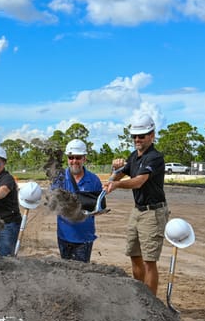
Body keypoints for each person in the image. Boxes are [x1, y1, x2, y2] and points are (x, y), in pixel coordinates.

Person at [105, 113, 169, 295]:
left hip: (153, 213)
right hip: (138, 211)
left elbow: (139, 181)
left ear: (152, 135)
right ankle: (140, 297)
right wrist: (114, 171)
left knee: (149, 261)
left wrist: (117, 185)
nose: (137, 139)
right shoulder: (134, 156)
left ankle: (150, 303)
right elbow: (116, 176)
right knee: (134, 254)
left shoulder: (155, 157)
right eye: (134, 136)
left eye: (141, 136)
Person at [51, 139, 103, 262]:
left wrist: (94, 211)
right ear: (67, 159)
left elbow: (99, 206)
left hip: (84, 237)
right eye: (71, 157)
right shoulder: (59, 179)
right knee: (66, 269)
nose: (74, 161)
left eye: (78, 157)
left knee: (81, 271)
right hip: (64, 235)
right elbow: (53, 203)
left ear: (84, 158)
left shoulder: (94, 180)